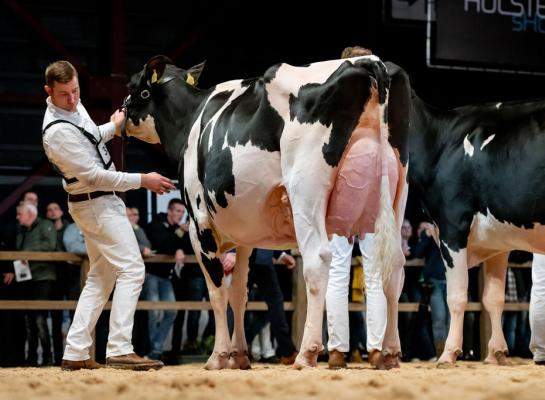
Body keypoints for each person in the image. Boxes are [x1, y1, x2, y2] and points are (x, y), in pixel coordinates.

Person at [41, 60, 175, 371]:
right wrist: (142, 179)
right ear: (49, 92)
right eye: (64, 94)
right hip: (95, 201)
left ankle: (75, 352)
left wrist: (113, 127)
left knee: (100, 278)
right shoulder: (57, 131)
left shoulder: (73, 111)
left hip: (97, 202)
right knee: (132, 269)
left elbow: (90, 139)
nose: (73, 99)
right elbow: (94, 175)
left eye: (75, 91)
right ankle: (119, 349)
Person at [325, 45, 387, 370]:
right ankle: (376, 350)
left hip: (346, 180)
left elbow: (327, 149)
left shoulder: (336, 96)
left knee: (337, 269)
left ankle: (337, 351)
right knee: (374, 273)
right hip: (377, 179)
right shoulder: (383, 97)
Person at [16, 202, 57, 366]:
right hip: (27, 277)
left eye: (20, 214)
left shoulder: (46, 225)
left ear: (30, 213)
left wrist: (28, 254)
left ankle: (48, 357)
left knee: (40, 319)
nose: (18, 217)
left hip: (43, 276)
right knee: (29, 321)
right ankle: (31, 358)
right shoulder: (22, 231)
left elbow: (50, 246)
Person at [144, 198, 186, 360]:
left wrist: (180, 248)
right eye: (177, 211)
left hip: (166, 277)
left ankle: (155, 349)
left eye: (182, 212)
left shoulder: (178, 228)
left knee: (171, 311)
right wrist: (179, 237)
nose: (180, 215)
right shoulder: (155, 224)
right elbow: (164, 245)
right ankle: (154, 350)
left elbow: (185, 246)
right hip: (151, 275)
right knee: (154, 312)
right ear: (169, 211)